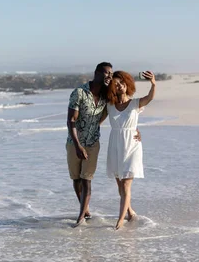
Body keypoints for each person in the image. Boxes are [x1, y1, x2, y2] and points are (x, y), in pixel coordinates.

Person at [105, 70, 156, 229]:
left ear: (128, 85)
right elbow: (96, 121)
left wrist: (153, 83)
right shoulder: (110, 106)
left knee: (126, 184)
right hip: (115, 145)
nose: (120, 86)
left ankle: (120, 220)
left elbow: (149, 98)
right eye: (116, 83)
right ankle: (130, 212)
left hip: (132, 146)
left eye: (122, 83)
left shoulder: (135, 104)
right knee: (120, 185)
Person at [66, 62, 113, 228]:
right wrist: (78, 146)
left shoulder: (107, 96)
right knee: (76, 178)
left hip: (93, 143)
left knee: (87, 179)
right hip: (74, 143)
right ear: (97, 73)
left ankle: (81, 217)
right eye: (106, 73)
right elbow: (71, 120)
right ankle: (84, 208)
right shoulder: (79, 93)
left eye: (111, 74)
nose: (109, 76)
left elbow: (122, 108)